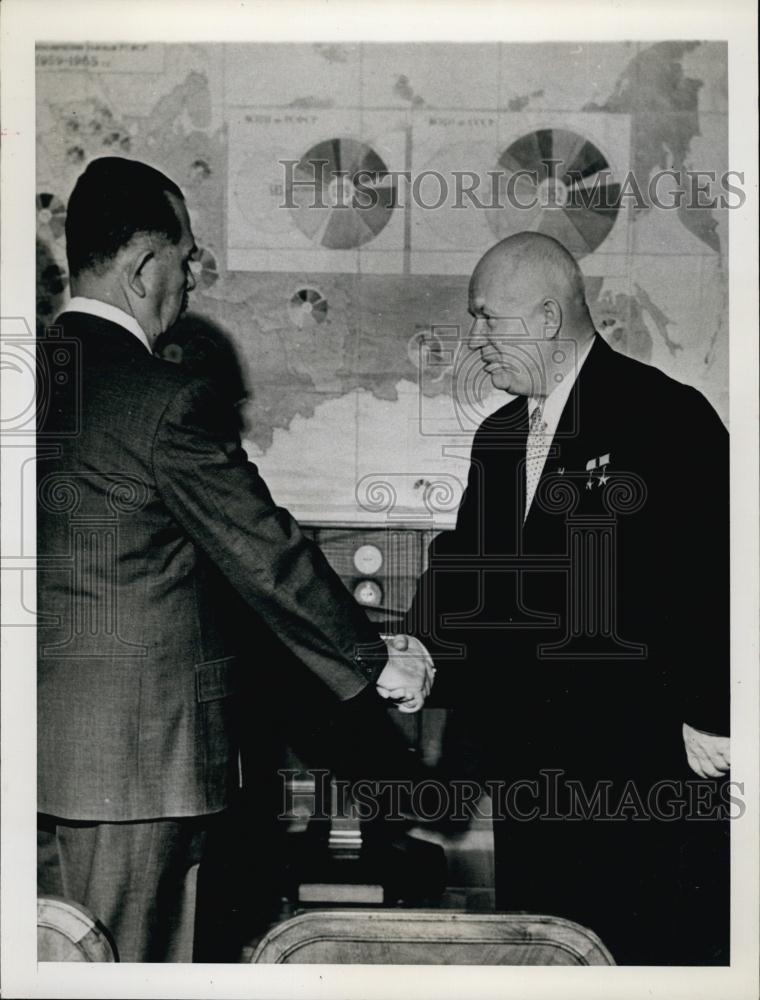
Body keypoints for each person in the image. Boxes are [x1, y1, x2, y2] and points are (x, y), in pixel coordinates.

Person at [36, 156, 433, 962]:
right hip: (133, 775)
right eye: (186, 261)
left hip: (33, 761)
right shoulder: (163, 398)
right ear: (145, 267)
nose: (189, 283)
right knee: (130, 971)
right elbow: (265, 551)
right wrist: (373, 657)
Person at [405, 232, 730, 965]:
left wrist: (716, 715)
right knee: (551, 957)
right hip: (534, 778)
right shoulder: (499, 436)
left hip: (641, 778)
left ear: (547, 319)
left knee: (646, 955)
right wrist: (423, 649)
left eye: (488, 318)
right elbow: (466, 572)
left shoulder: (666, 416)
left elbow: (718, 572)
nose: (475, 339)